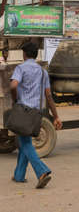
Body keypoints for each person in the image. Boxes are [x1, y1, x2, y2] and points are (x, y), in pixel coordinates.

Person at [10, 42, 63, 188]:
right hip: (36, 113)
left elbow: (13, 85)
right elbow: (48, 96)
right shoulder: (42, 72)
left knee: (25, 143)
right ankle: (19, 175)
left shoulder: (20, 68)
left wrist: (15, 99)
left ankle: (42, 171)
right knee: (24, 141)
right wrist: (56, 116)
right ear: (36, 54)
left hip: (23, 111)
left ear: (25, 54)